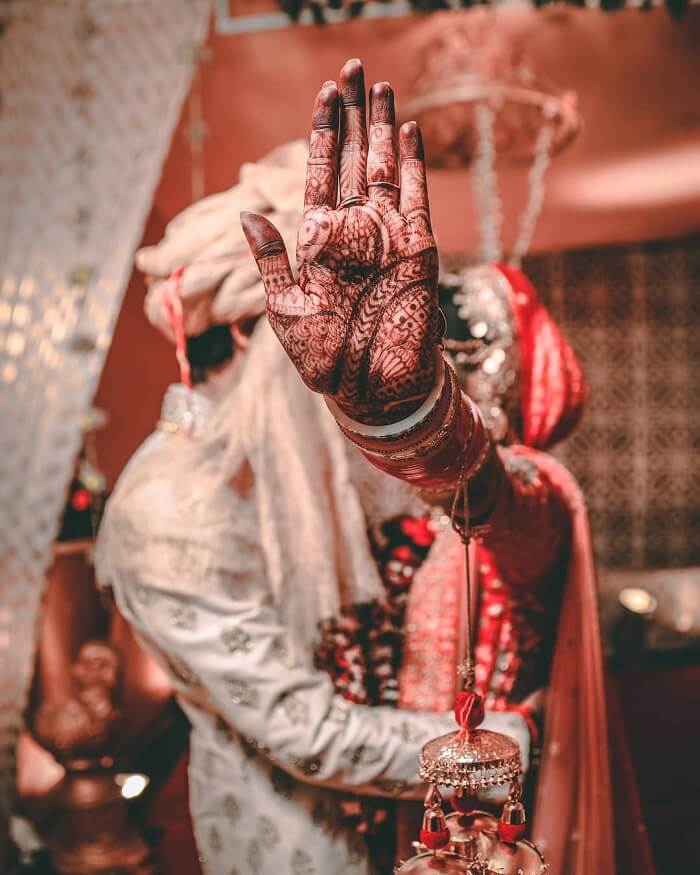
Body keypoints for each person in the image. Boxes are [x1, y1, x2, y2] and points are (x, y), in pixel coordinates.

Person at [95, 129, 529, 874]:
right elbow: (303, 730)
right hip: (297, 849)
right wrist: (508, 744)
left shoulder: (297, 459)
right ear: (245, 329)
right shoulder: (165, 515)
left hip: (406, 830)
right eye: (305, 333)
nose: (331, 361)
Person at [240, 59, 615, 875]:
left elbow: (478, 484)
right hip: (406, 812)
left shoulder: (539, 491)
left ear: (527, 370)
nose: (458, 360)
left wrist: (407, 413)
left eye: (478, 349)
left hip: (495, 829)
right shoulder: (393, 508)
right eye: (449, 342)